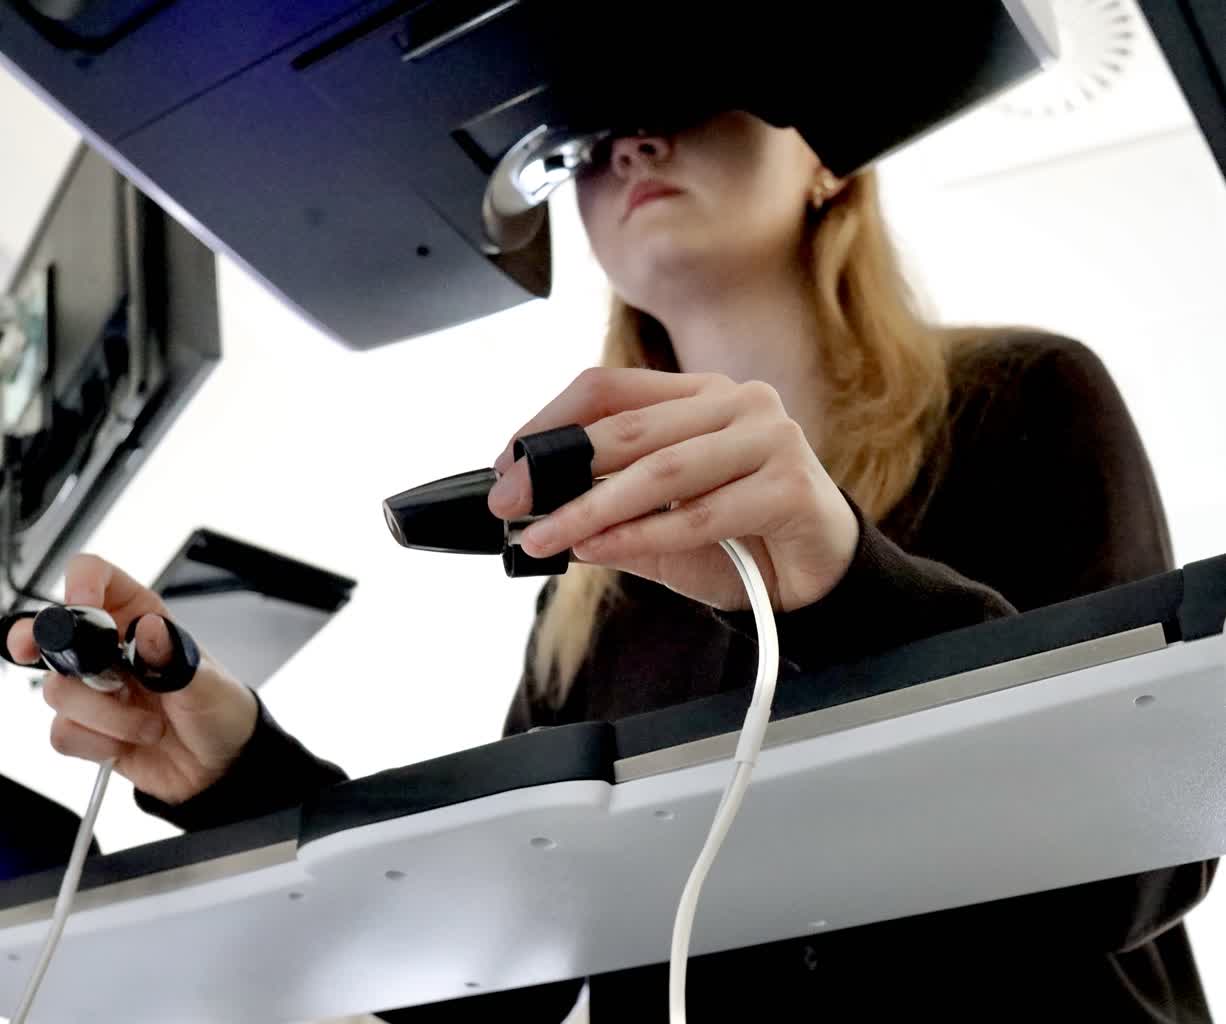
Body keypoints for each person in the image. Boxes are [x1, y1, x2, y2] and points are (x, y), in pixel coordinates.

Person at [5, 111, 1215, 1023]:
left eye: (694, 87)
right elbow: (505, 965)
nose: (632, 140)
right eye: (585, 133)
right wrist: (232, 773)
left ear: (827, 149)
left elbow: (1142, 855)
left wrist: (840, 580)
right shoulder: (590, 582)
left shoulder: (1019, 398)